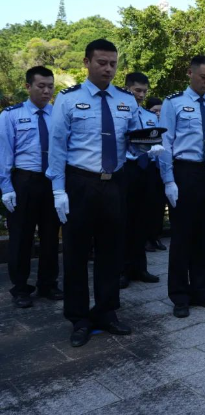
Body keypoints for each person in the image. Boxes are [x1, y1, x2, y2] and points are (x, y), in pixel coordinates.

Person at [47, 39, 160, 347]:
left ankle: (107, 312)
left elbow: (134, 140)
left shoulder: (126, 99)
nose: (108, 69)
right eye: (102, 63)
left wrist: (147, 146)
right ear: (87, 63)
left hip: (115, 183)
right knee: (76, 253)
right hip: (80, 183)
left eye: (113, 63)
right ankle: (79, 319)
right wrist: (58, 190)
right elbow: (57, 147)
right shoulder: (68, 99)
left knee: (112, 251)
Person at [159, 55, 205, 318]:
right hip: (185, 172)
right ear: (190, 74)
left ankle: (201, 291)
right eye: (203, 77)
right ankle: (180, 295)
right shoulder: (174, 103)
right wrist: (169, 180)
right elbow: (165, 144)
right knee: (182, 236)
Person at [0, 66, 62, 308]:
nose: (47, 91)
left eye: (50, 87)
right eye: (41, 86)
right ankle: (20, 288)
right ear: (28, 87)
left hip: (52, 181)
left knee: (51, 236)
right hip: (24, 181)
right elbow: (4, 153)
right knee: (21, 237)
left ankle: (48, 283)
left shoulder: (58, 114)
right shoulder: (11, 115)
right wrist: (6, 187)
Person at [120, 72, 160, 289]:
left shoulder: (150, 116)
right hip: (127, 169)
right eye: (137, 90)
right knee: (124, 220)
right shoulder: (120, 113)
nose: (141, 95)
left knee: (143, 219)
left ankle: (139, 267)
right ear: (127, 89)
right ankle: (123, 269)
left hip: (147, 169)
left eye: (144, 91)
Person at [143, 96, 167, 252]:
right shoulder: (147, 122)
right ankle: (146, 239)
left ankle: (156, 236)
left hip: (162, 169)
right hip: (149, 167)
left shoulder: (165, 123)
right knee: (147, 205)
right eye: (155, 110)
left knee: (159, 205)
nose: (158, 113)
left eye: (160, 110)